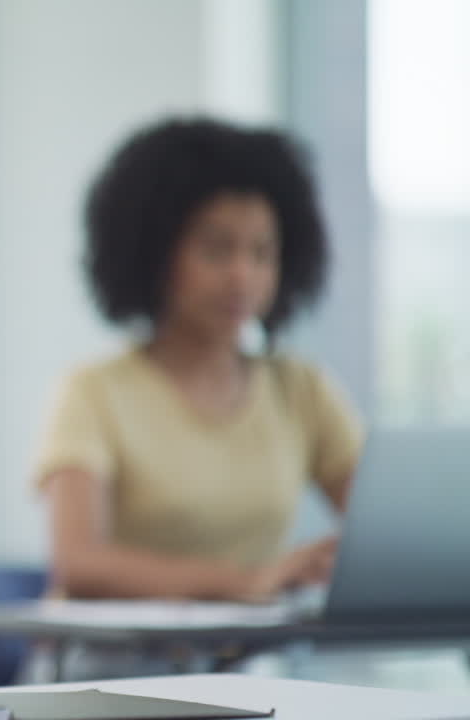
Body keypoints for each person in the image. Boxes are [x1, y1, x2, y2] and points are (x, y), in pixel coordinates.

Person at [37, 117, 364, 605]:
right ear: (156, 254)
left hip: (252, 663)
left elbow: (386, 535)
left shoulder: (301, 389)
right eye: (216, 250)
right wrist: (245, 584)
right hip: (109, 665)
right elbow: (79, 563)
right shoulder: (94, 392)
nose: (242, 275)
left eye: (261, 252)